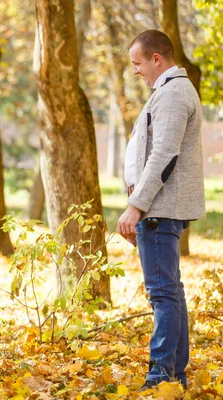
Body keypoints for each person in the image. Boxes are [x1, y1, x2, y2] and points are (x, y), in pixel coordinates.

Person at [117, 30, 205, 390]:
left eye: (138, 63)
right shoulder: (170, 92)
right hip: (160, 207)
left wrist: (135, 207)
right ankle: (174, 374)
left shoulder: (172, 94)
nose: (135, 71)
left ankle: (161, 376)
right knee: (171, 291)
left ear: (157, 59)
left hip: (159, 207)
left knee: (162, 294)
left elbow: (164, 155)